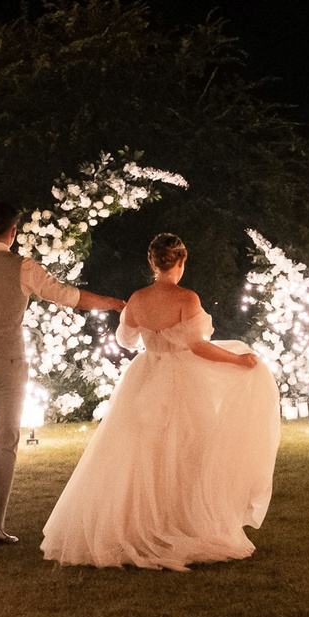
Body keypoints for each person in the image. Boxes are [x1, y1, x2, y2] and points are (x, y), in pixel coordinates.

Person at [42, 232, 279, 568]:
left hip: (146, 376)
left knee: (141, 453)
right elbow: (197, 346)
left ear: (152, 262)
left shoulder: (137, 298)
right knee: (190, 449)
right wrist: (238, 360)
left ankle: (143, 524)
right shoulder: (187, 298)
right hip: (181, 379)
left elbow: (126, 340)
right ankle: (179, 523)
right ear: (180, 262)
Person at [0, 201, 127, 545]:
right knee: (7, 440)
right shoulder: (24, 267)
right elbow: (68, 297)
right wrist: (113, 302)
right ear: (13, 233)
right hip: (11, 361)